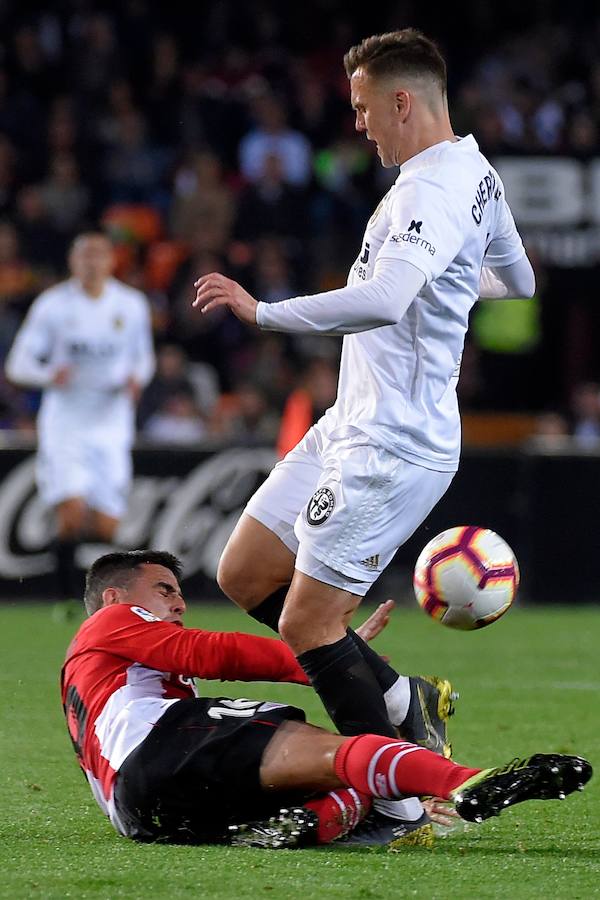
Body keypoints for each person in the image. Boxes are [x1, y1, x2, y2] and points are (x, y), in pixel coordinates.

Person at [191, 29, 537, 831]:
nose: (358, 125)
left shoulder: (433, 191)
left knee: (306, 622)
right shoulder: (474, 173)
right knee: (244, 571)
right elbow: (516, 278)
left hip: (394, 441)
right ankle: (396, 695)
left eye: (361, 108)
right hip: (351, 420)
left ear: (402, 100)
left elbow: (384, 300)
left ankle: (398, 800)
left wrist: (264, 311)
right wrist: (448, 282)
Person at [61, 549, 591, 849]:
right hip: (160, 750)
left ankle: (316, 820)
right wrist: (326, 662)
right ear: (114, 597)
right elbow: (211, 652)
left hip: (143, 817)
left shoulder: (103, 678)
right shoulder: (109, 621)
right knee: (342, 752)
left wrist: (339, 653)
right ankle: (464, 781)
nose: (178, 601)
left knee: (346, 777)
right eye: (163, 589)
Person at [5, 232, 155, 599]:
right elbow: (18, 364)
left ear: (111, 261)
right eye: (84, 255)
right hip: (66, 423)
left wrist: (138, 379)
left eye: (98, 255)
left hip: (111, 424)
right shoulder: (53, 305)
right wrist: (46, 375)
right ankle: (67, 599)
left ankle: (91, 590)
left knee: (106, 526)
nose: (91, 262)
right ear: (73, 262)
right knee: (70, 515)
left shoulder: (131, 304)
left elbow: (144, 357)